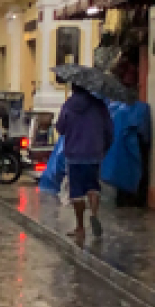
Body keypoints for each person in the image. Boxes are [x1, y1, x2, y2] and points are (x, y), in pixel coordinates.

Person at [56, 83, 114, 241]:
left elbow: (60, 128)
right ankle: (94, 215)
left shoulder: (68, 105)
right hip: (94, 153)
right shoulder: (99, 105)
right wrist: (104, 147)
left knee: (77, 193)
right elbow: (109, 130)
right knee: (93, 186)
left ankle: (80, 228)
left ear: (74, 88)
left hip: (74, 154)